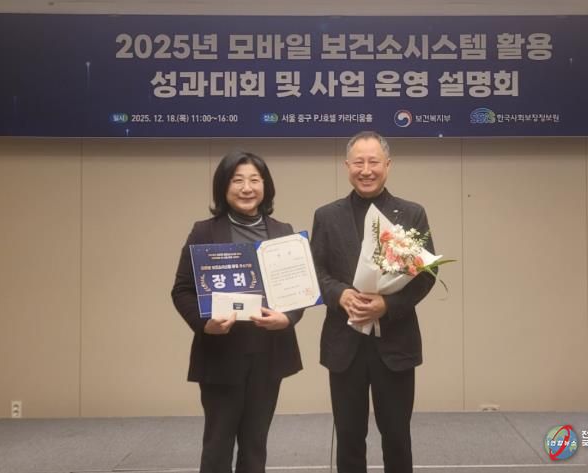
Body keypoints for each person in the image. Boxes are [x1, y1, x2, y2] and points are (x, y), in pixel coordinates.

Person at [310, 131, 437, 473]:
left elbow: (426, 274)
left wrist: (388, 305)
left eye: (374, 162)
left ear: (388, 165)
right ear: (347, 166)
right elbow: (316, 271)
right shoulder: (327, 216)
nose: (366, 170)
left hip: (395, 344)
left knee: (397, 437)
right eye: (358, 162)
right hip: (344, 344)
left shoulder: (411, 214)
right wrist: (339, 294)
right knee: (349, 438)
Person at [171, 150, 303, 473]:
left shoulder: (283, 231)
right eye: (237, 180)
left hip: (268, 353)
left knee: (255, 445)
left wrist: (288, 318)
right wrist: (205, 324)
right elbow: (182, 290)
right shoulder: (203, 232)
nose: (247, 188)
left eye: (254, 180)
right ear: (223, 187)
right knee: (217, 446)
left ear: (265, 186)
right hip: (221, 353)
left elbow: (298, 291)